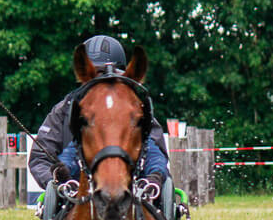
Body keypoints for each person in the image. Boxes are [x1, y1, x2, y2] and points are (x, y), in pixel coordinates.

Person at [27, 35, 170, 211]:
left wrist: (154, 177)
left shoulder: (134, 110)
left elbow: (154, 150)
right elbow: (50, 157)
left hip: (133, 193)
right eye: (97, 78)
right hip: (75, 199)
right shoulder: (64, 110)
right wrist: (58, 177)